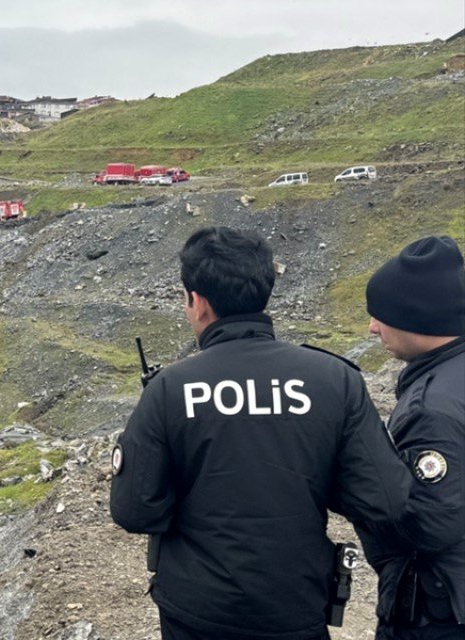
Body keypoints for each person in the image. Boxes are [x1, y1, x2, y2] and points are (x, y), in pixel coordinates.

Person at [110, 226, 411, 640]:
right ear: (264, 290)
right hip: (297, 606)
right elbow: (386, 499)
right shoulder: (334, 379)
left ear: (197, 302)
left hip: (197, 612)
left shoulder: (170, 388)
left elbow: (134, 509)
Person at [358, 235, 465, 639]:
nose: (371, 328)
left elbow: (430, 525)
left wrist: (362, 494)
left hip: (441, 611)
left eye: (380, 315)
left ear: (416, 316)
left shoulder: (431, 408)